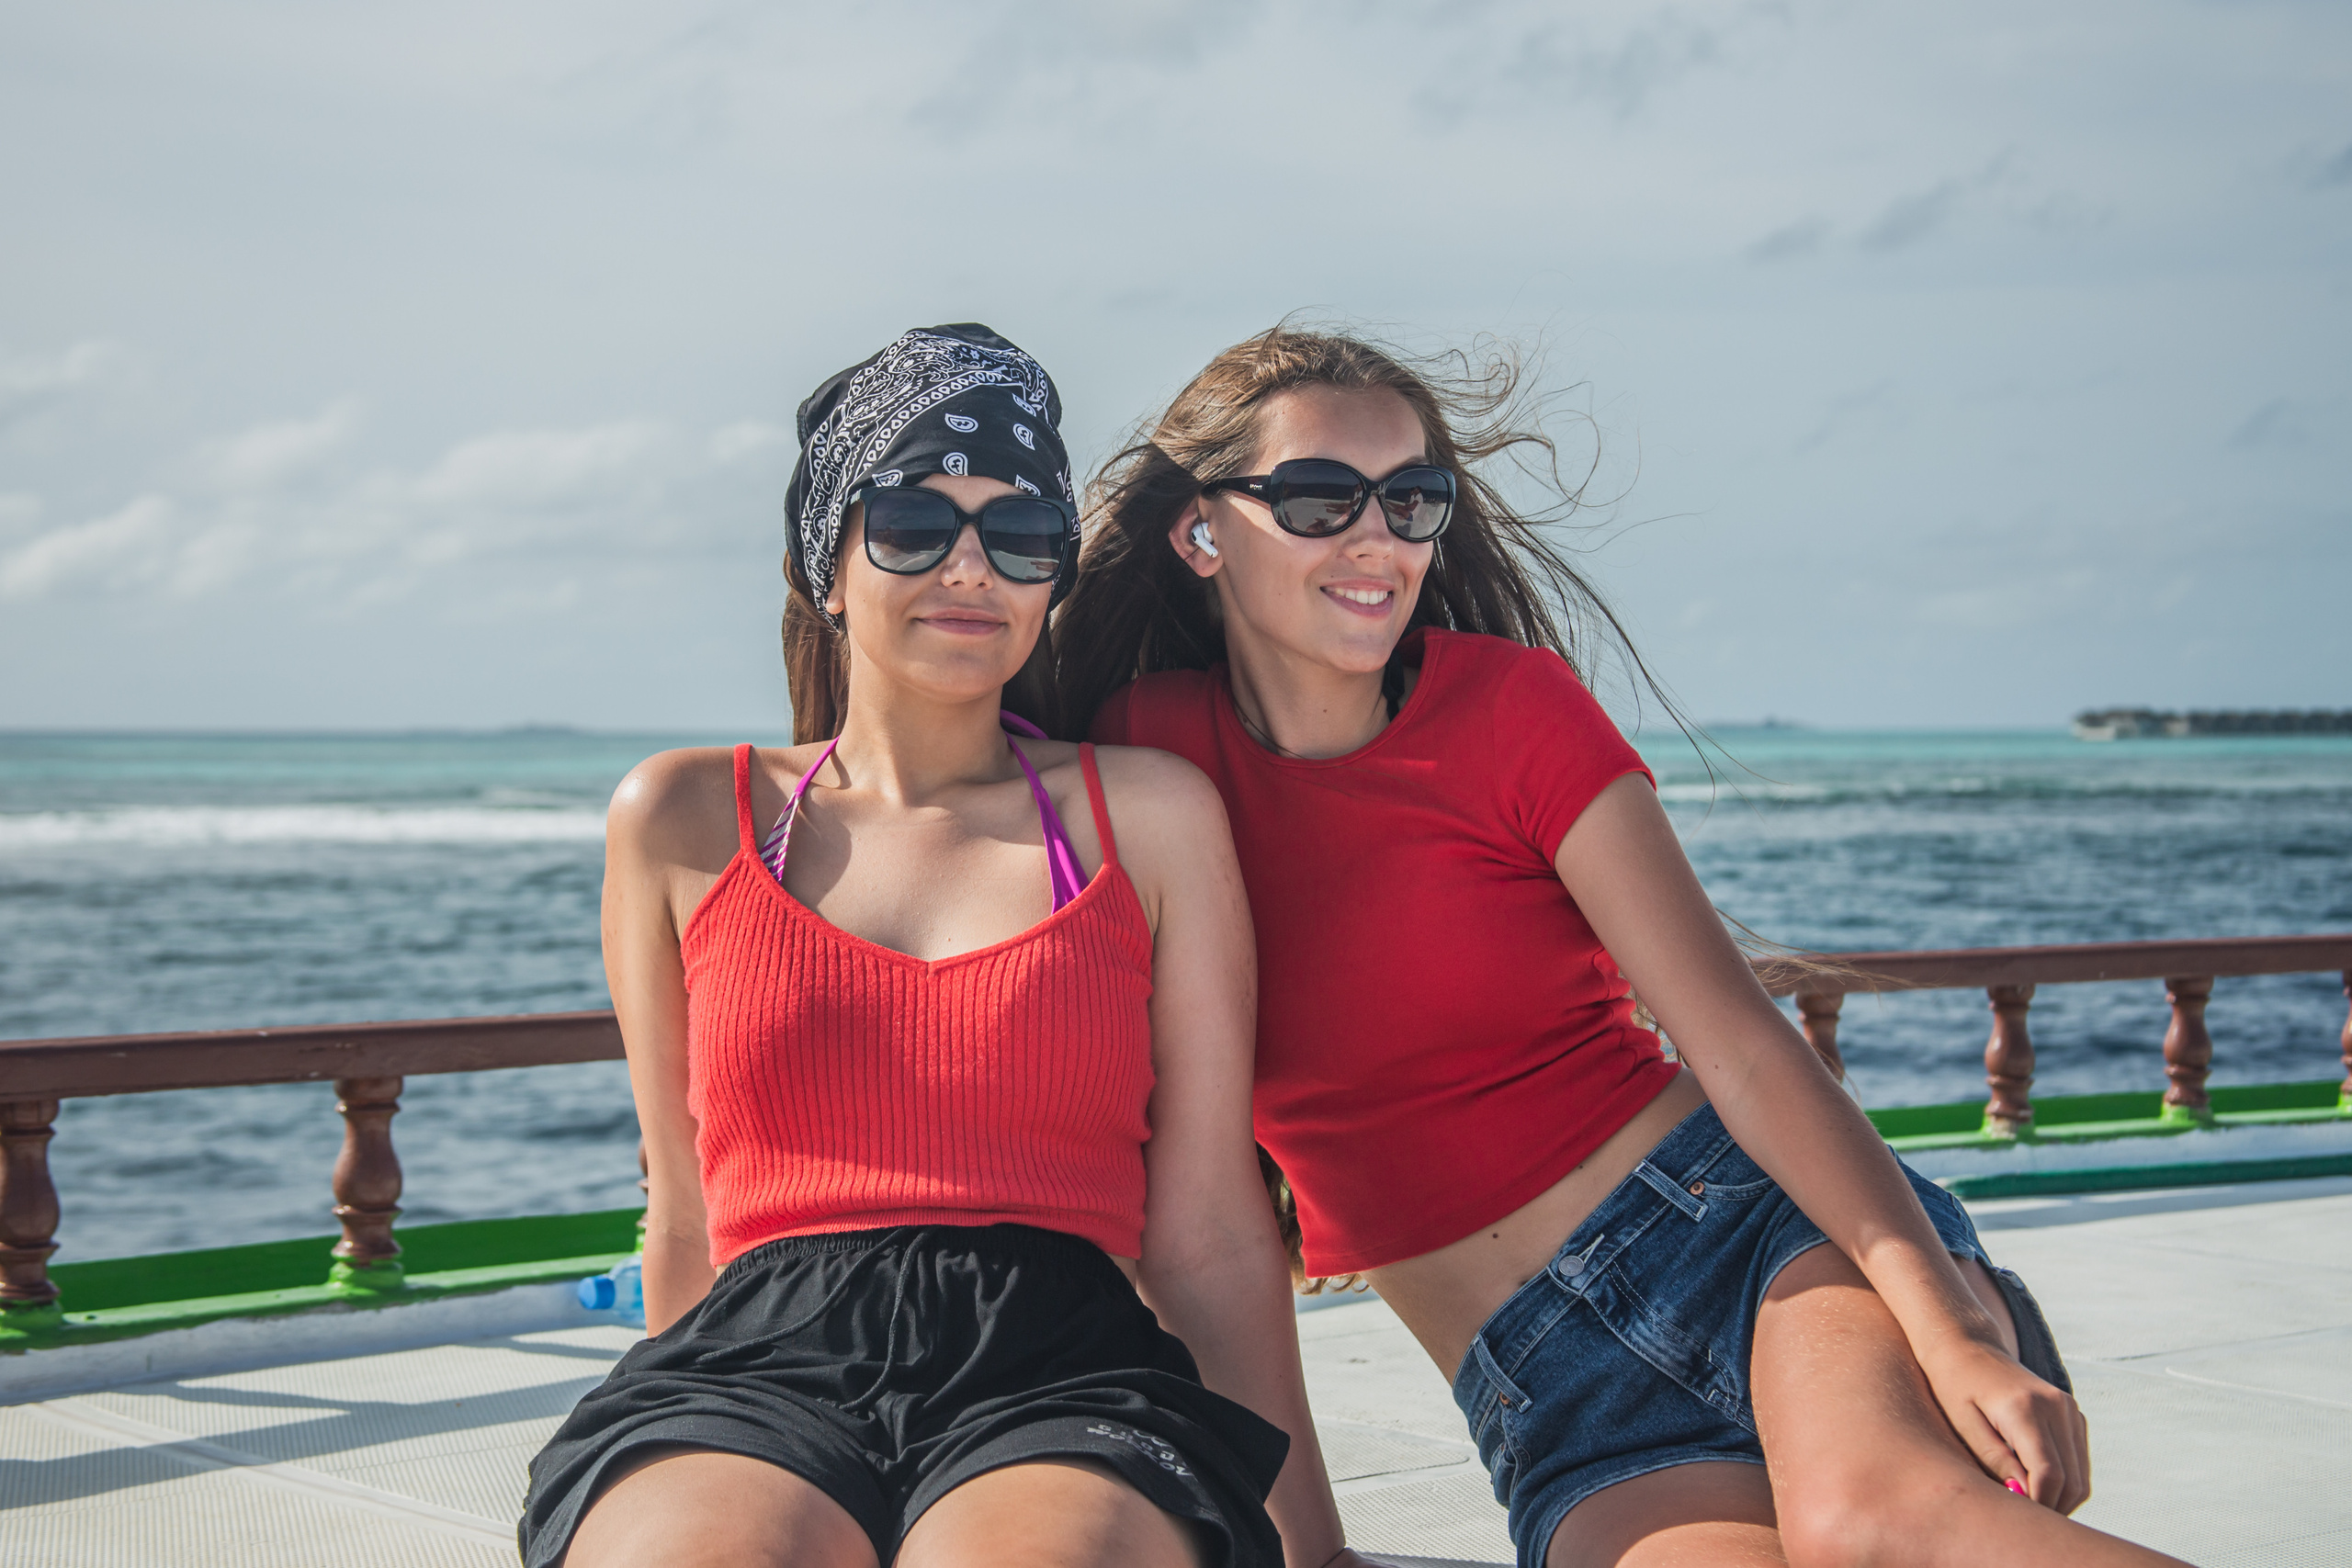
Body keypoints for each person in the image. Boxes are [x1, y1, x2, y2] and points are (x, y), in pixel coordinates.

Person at [1056, 326, 2189, 1568]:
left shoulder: (1512, 710)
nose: (1379, 537)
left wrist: (1952, 1324)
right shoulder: (1143, 766)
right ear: (1201, 531)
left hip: (1752, 1241)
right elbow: (1198, 1204)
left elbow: (1745, 1049)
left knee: (1876, 1528)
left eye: (1413, 499)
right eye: (1323, 500)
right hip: (1557, 1396)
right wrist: (1306, 1555)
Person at [521, 324, 1370, 1568]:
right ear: (827, 564)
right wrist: (683, 1430)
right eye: (915, 526)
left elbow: (1208, 1230)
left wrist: (1315, 1545)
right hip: (753, 1360)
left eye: (1019, 536)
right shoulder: (684, 818)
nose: (969, 569)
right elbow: (688, 1209)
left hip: (1063, 1366)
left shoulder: (1146, 815)